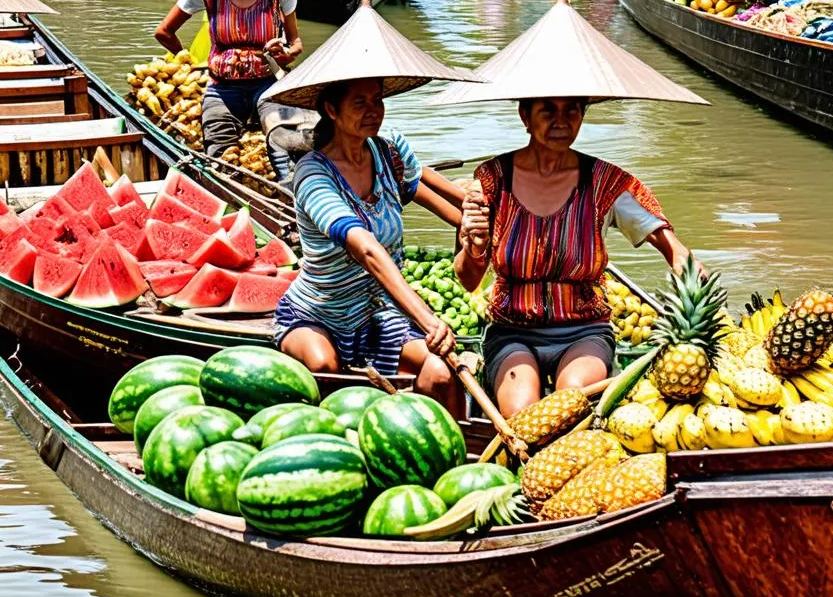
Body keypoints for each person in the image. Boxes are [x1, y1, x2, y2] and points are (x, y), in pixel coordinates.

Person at [454, 97, 695, 418]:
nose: (561, 121)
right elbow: (469, 280)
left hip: (584, 330)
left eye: (572, 110)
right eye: (548, 110)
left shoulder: (603, 182)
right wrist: (475, 245)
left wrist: (678, 254)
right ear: (525, 115)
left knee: (570, 405)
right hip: (512, 329)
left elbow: (656, 231)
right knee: (521, 412)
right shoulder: (492, 181)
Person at [274, 77, 464, 418]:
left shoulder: (389, 152)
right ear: (331, 110)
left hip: (379, 314)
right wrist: (429, 321)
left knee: (441, 372)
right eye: (360, 103)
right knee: (324, 365)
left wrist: (476, 221)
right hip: (319, 314)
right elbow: (365, 249)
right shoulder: (313, 174)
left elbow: (430, 193)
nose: (373, 111)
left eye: (377, 100)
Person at [153, 0, 301, 179]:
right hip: (222, 88)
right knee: (218, 158)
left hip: (267, 84)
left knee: (285, 151)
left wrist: (287, 54)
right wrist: (188, 63)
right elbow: (164, 32)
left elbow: (295, 42)